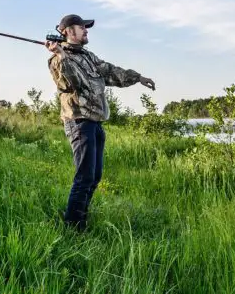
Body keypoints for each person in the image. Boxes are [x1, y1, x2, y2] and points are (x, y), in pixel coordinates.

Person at [46, 14, 155, 232]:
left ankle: (79, 219)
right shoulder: (58, 59)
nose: (86, 31)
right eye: (82, 27)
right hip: (78, 122)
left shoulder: (88, 56)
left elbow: (110, 71)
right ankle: (73, 229)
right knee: (84, 176)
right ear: (67, 31)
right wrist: (61, 54)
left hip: (95, 122)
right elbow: (72, 83)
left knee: (94, 176)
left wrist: (138, 78)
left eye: (86, 28)